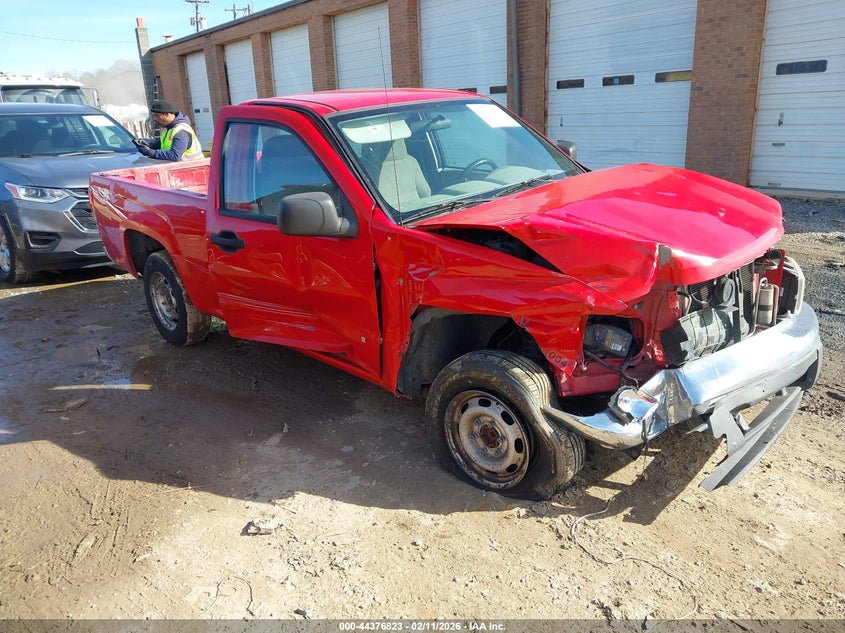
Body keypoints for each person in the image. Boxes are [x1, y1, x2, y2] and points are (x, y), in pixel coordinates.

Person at [136, 99, 204, 161]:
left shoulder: (181, 131)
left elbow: (174, 155)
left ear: (167, 114)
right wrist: (147, 146)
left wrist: (149, 152)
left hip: (191, 170)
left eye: (157, 116)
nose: (155, 119)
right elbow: (158, 146)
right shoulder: (169, 130)